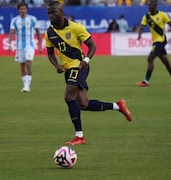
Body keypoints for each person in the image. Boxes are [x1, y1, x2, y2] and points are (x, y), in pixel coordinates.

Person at [45, 1, 132, 146]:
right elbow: (50, 53)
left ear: (61, 12)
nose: (50, 15)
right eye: (48, 13)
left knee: (68, 97)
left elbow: (92, 45)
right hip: (68, 69)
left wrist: (86, 60)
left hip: (79, 66)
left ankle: (79, 136)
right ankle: (118, 106)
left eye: (53, 12)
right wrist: (57, 65)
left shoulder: (76, 27)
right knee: (83, 104)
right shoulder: (49, 33)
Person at [137, 0, 171, 87]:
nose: (149, 7)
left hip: (161, 41)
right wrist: (139, 35)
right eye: (149, 5)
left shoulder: (163, 15)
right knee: (166, 62)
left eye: (151, 5)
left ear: (155, 6)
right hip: (156, 41)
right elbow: (142, 26)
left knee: (150, 58)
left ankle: (146, 81)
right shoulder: (146, 16)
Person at [8, 2, 42, 92]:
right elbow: (11, 32)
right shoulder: (14, 20)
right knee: (22, 66)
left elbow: (38, 32)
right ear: (18, 10)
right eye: (21, 9)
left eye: (24, 8)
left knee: (28, 62)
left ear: (27, 9)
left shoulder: (32, 19)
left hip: (30, 45)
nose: (23, 10)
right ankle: (25, 85)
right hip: (19, 46)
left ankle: (27, 86)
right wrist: (9, 44)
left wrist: (40, 44)